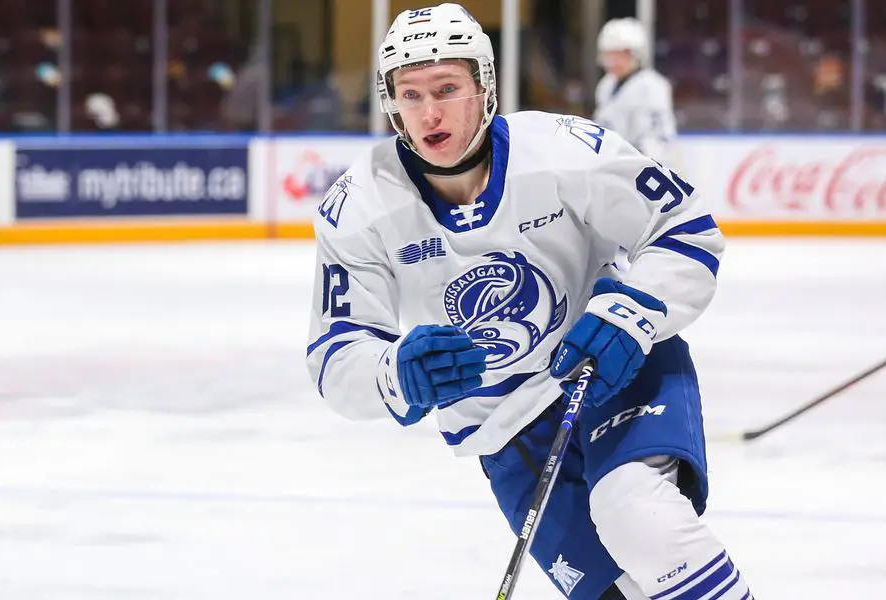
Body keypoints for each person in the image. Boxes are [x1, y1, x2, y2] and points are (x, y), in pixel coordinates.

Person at [305, 4, 754, 599]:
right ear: (391, 103)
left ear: (484, 88)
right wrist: (394, 375)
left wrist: (634, 311)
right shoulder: (358, 207)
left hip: (609, 369)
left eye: (447, 88)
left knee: (640, 519)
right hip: (501, 430)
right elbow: (335, 355)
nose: (430, 112)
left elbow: (683, 228)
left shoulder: (566, 150)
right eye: (410, 95)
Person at [593, 18, 677, 164]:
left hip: (644, 167)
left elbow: (660, 136)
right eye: (609, 54)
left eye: (619, 54)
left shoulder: (653, 86)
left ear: (635, 54)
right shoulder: (605, 86)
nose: (612, 61)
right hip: (612, 165)